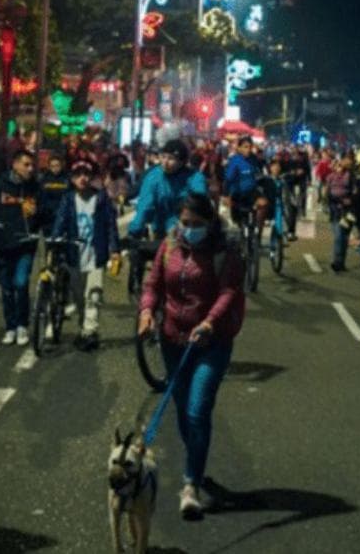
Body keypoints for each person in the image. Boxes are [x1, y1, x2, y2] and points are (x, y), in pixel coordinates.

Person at [138, 193, 244, 521]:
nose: (190, 230)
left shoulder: (225, 251)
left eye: (197, 224)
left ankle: (190, 484)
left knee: (198, 410)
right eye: (185, 223)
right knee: (183, 412)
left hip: (211, 342)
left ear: (210, 222)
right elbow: (153, 283)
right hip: (172, 340)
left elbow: (230, 291)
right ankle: (195, 459)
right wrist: (145, 311)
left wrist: (210, 322)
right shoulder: (169, 246)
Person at [51, 159, 121, 350]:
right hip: (75, 255)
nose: (82, 178)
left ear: (91, 177)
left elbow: (110, 225)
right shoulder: (68, 199)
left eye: (86, 174)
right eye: (77, 174)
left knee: (94, 294)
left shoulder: (100, 198)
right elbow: (61, 220)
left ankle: (90, 331)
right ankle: (83, 327)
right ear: (72, 178)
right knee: (79, 296)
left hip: (96, 253)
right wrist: (55, 239)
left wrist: (114, 249)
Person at [0, 149, 40, 347]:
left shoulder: (35, 187)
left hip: (25, 244)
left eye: (32, 165)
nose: (30, 169)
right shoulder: (0, 185)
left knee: (21, 284)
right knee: (6, 289)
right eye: (26, 165)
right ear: (15, 164)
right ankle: (11, 326)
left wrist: (46, 227)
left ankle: (23, 325)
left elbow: (45, 212)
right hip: (3, 244)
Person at [128, 139, 208, 240]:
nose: (165, 162)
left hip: (186, 230)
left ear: (182, 162)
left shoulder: (194, 177)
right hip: (160, 231)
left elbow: (200, 200)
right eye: (163, 156)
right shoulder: (154, 177)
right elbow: (145, 205)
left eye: (171, 158)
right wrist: (135, 229)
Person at [325, 158, 355, 272]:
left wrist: (350, 200)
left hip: (347, 211)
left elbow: (355, 192)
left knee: (344, 237)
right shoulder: (330, 178)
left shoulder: (350, 177)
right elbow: (327, 194)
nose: (339, 167)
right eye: (337, 165)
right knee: (338, 236)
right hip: (335, 211)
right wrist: (336, 201)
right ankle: (337, 261)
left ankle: (341, 262)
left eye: (341, 165)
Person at [223, 136, 259, 227]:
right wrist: (226, 196)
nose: (248, 150)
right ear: (239, 148)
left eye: (250, 147)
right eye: (245, 147)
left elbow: (260, 173)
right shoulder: (235, 160)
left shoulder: (254, 159)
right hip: (237, 194)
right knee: (237, 220)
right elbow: (228, 179)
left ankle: (257, 234)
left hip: (252, 193)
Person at [37, 153, 70, 236]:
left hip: (63, 215)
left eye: (57, 165)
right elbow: (41, 198)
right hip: (48, 217)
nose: (55, 168)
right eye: (52, 166)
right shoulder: (44, 179)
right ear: (49, 166)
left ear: (61, 165)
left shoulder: (67, 179)